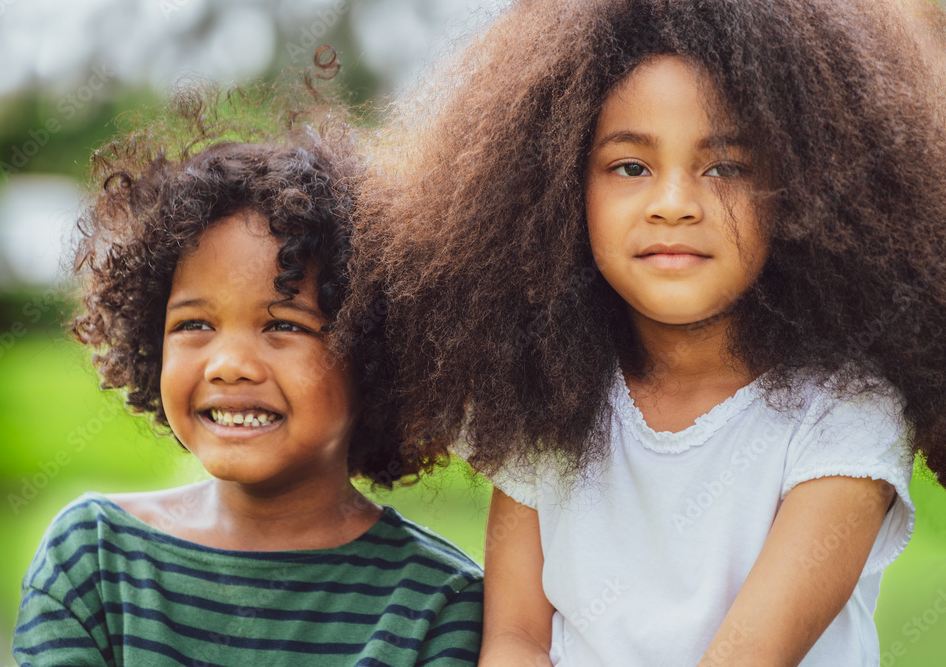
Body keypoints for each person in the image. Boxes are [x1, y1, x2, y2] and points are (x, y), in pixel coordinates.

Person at [342, 0, 946, 664]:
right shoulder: (546, 399)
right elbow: (515, 636)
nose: (674, 203)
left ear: (801, 187)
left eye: (725, 167)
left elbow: (748, 655)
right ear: (560, 192)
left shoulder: (845, 414)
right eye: (631, 166)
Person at [11, 85, 483, 666]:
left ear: (375, 353)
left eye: (282, 324)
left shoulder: (437, 604)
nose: (229, 363)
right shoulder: (95, 562)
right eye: (193, 325)